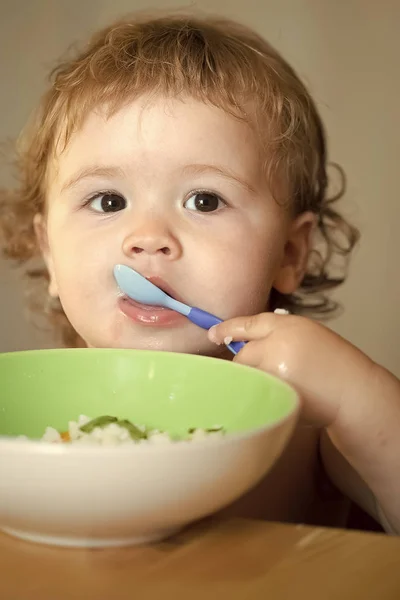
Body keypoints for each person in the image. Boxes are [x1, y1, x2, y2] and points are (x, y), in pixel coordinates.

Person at [1, 12, 399, 533]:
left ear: (290, 254)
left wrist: (358, 398)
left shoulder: (309, 418)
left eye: (204, 200)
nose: (147, 236)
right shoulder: (29, 414)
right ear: (50, 252)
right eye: (108, 200)